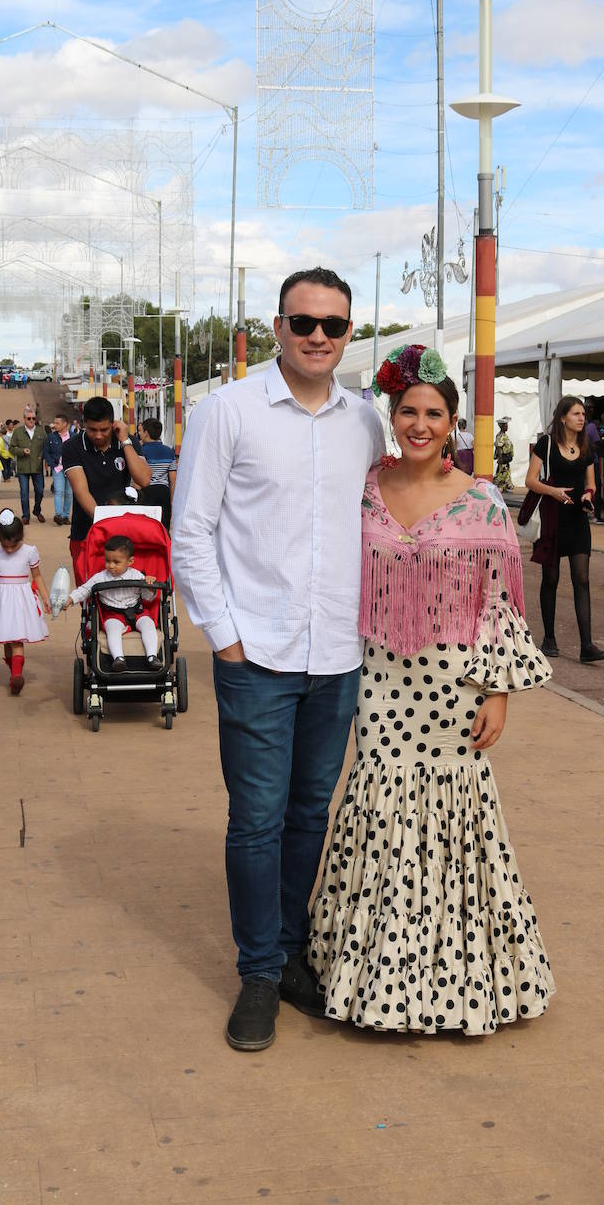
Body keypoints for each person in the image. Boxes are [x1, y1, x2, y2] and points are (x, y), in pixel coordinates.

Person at [307, 344, 555, 1034]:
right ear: (391, 415)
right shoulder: (360, 489)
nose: (420, 424)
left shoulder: (482, 501)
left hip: (454, 686)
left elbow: (499, 603)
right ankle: (376, 978)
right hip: (379, 678)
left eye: (434, 414)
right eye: (409, 411)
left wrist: (497, 690)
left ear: (452, 424)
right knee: (377, 803)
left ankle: (456, 983)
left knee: (457, 817)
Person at [172, 265, 384, 1052]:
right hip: (256, 652)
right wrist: (224, 637)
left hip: (336, 653)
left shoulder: (365, 422)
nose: (318, 337)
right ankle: (259, 971)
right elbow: (191, 528)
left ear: (349, 331)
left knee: (307, 815)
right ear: (278, 328)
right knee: (256, 822)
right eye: (304, 323)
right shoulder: (227, 411)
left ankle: (293, 954)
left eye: (333, 325)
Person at [525, 395, 604, 664]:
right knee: (551, 579)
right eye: (576, 414)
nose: (581, 418)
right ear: (563, 418)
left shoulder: (586, 448)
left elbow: (591, 484)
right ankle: (549, 638)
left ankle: (586, 646)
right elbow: (530, 480)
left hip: (577, 520)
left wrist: (587, 496)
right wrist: (554, 491)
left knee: (582, 580)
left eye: (583, 414)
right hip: (552, 519)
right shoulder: (546, 444)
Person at [61, 397, 152, 585]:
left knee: (127, 590)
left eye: (104, 429)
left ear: (113, 423)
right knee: (89, 595)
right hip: (86, 532)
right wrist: (106, 525)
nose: (99, 435)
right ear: (84, 423)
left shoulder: (128, 442)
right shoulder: (73, 447)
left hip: (125, 534)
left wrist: (125, 441)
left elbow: (143, 479)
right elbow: (81, 492)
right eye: (92, 430)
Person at [62, 532, 161, 671]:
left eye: (116, 562)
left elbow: (147, 597)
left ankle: (152, 657)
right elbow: (84, 589)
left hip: (137, 610)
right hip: (113, 614)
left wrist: (150, 587)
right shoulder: (101, 577)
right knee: (112, 629)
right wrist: (71, 599)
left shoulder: (137, 575)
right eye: (107, 561)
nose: (111, 566)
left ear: (130, 561)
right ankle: (118, 658)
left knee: (149, 625)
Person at [0, 509, 49, 695]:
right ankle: (13, 674)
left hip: (21, 600)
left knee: (17, 639)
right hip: (1, 601)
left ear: (21, 537)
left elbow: (37, 576)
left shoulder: (29, 551)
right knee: (6, 640)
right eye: (5, 545)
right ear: (0, 538)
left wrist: (45, 597)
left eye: (13, 545)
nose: (9, 550)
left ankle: (17, 675)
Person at [10, 404, 48, 524]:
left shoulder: (41, 430)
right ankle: (25, 515)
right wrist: (21, 451)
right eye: (29, 418)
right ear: (24, 419)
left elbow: (46, 446)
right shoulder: (18, 432)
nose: (31, 420)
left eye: (33, 418)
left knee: (40, 491)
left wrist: (42, 456)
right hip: (23, 467)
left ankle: (37, 510)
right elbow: (11, 449)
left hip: (37, 467)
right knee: (24, 493)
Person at [139, 416, 176, 529]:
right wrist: (172, 501)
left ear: (146, 433)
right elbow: (173, 480)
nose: (139, 434)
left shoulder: (140, 451)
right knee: (163, 527)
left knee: (146, 527)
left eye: (140, 431)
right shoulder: (169, 451)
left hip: (146, 492)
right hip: (163, 492)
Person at [45, 413, 73, 525]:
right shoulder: (51, 436)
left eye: (57, 423)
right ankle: (58, 515)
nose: (55, 425)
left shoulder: (73, 436)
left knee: (69, 493)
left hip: (71, 468)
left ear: (65, 424)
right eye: (54, 423)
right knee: (59, 491)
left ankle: (66, 515)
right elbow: (46, 452)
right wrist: (53, 464)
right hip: (58, 468)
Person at [493, 416, 514, 490]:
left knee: (506, 472)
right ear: (501, 426)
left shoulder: (505, 435)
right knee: (501, 473)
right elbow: (498, 447)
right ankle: (496, 485)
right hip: (503, 457)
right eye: (505, 425)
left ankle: (506, 486)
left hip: (506, 457)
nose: (507, 427)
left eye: (507, 425)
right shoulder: (500, 436)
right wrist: (500, 458)